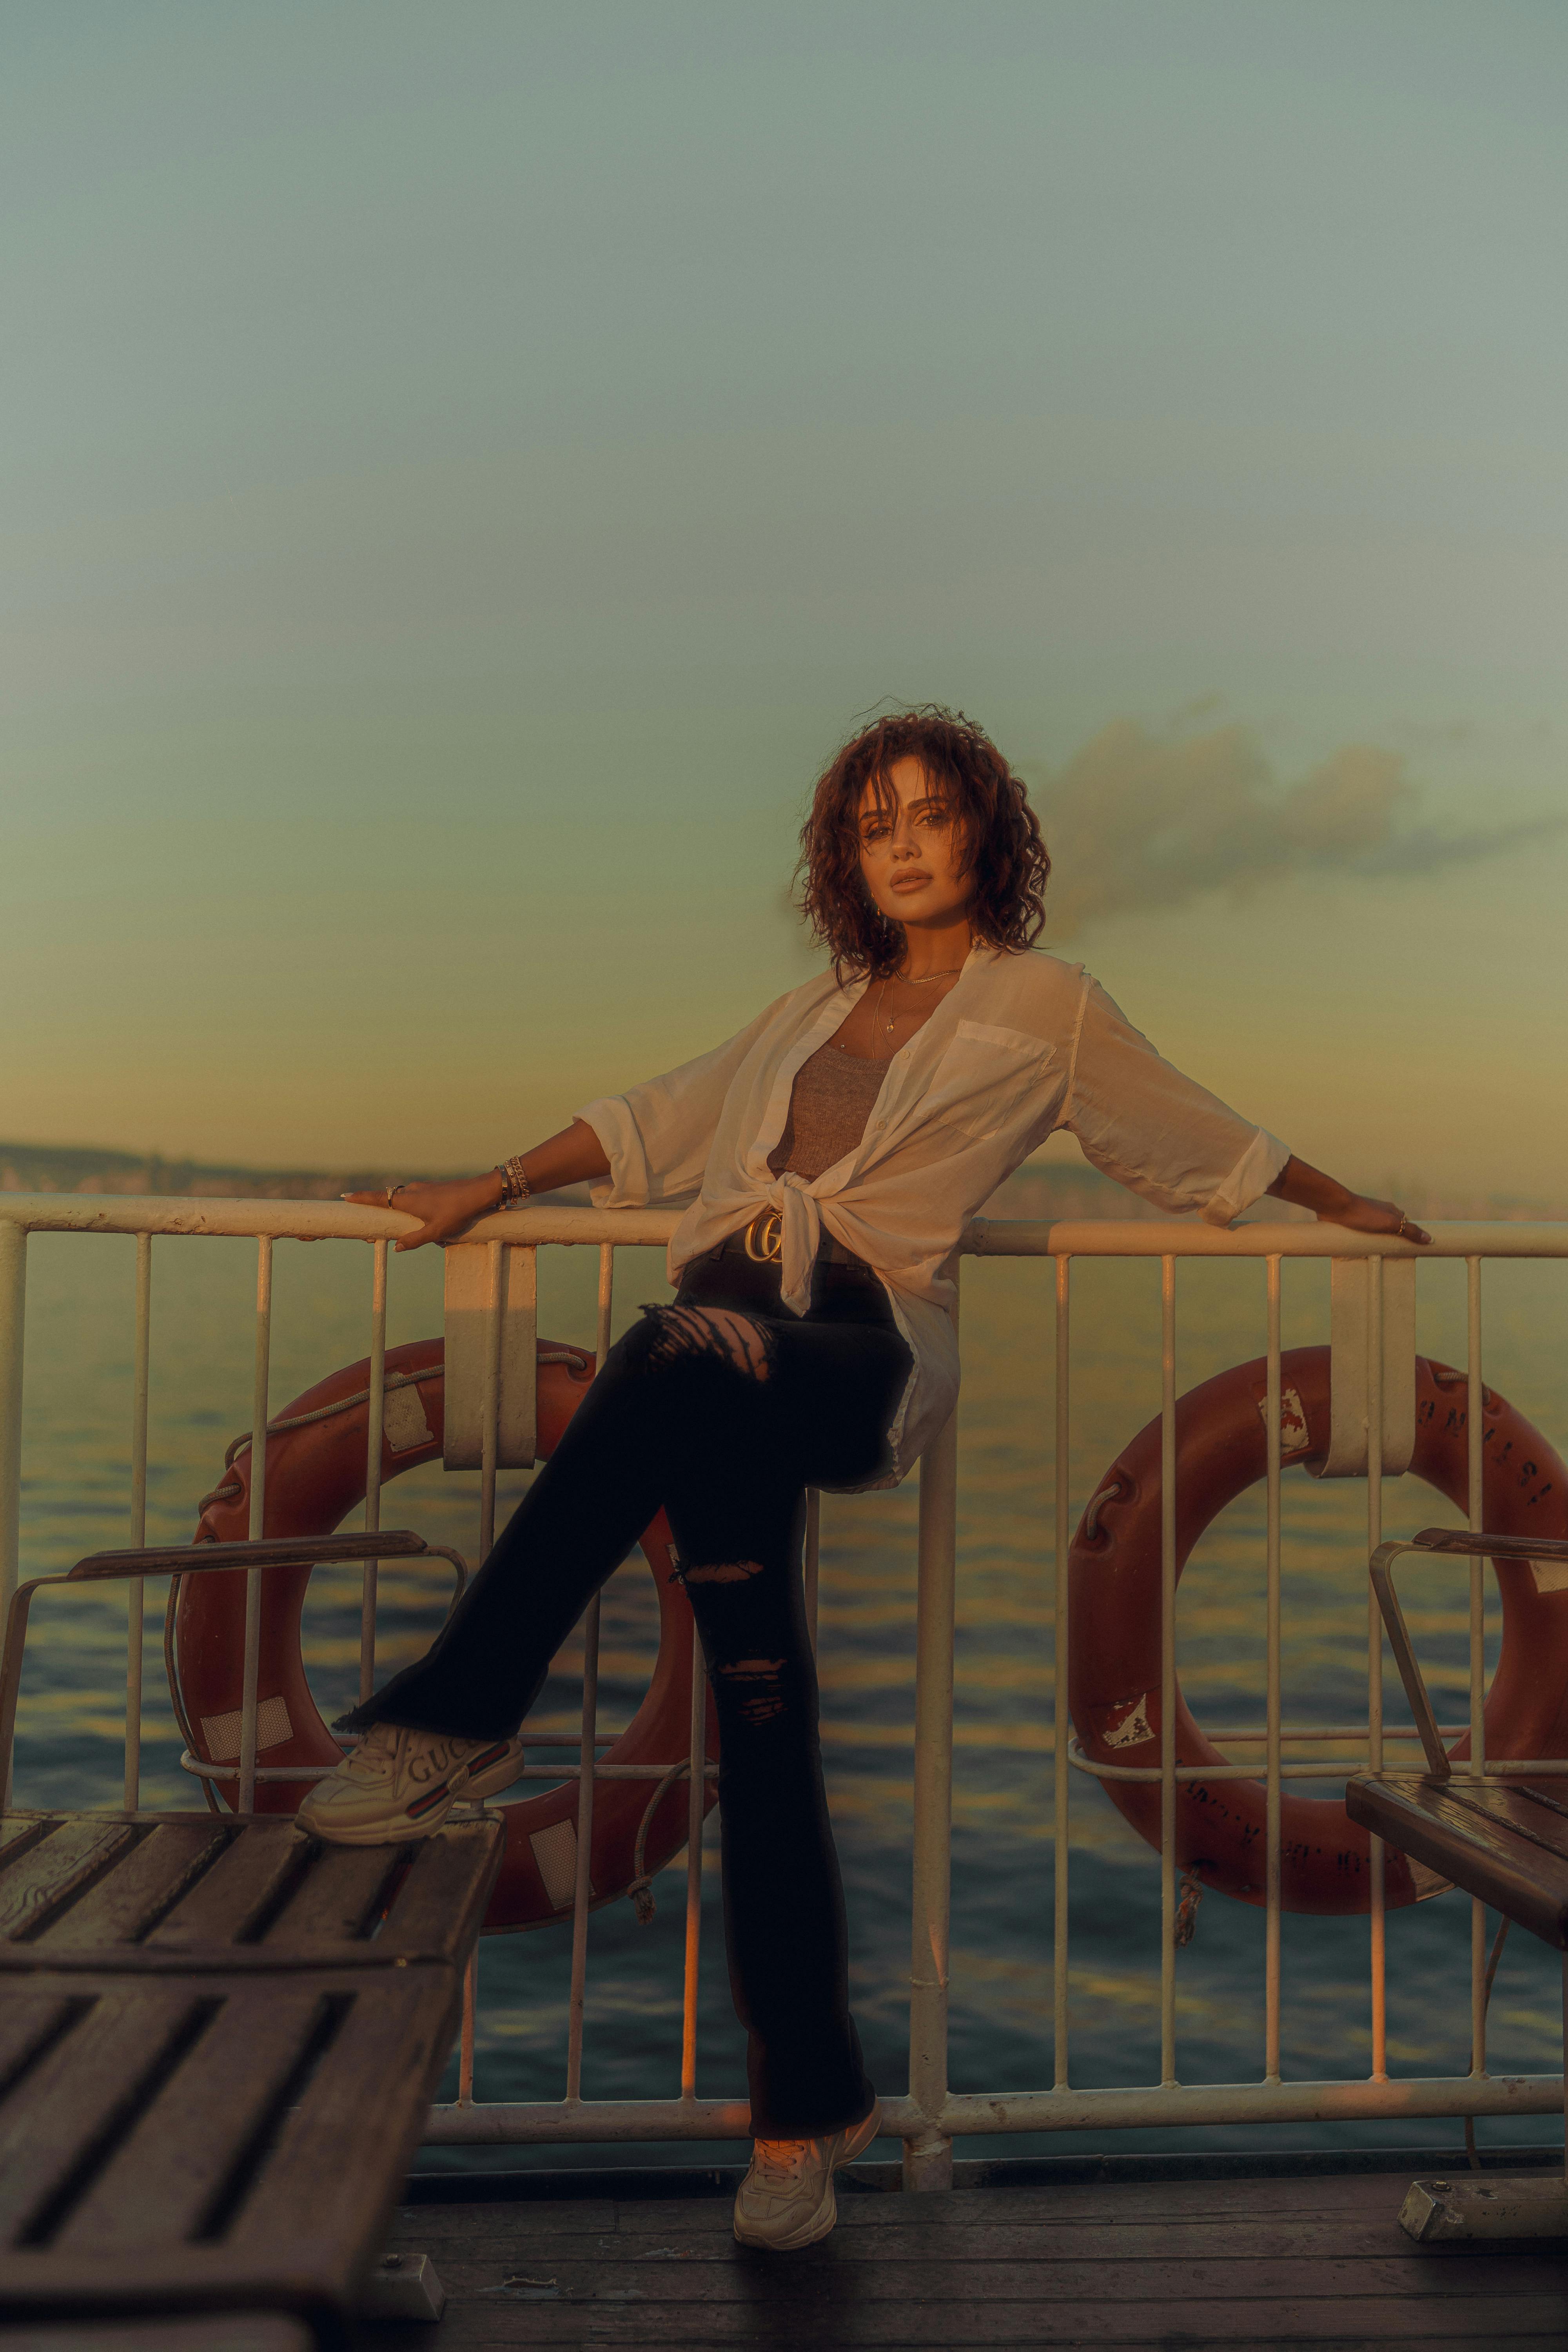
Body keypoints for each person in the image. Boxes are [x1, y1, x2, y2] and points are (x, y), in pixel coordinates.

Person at [301, 706, 1431, 2249]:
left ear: (987, 832)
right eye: (871, 823)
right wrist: (484, 1186)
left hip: (860, 1347)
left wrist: (1334, 1197)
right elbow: (655, 1115)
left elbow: (1185, 1129)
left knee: (674, 1344)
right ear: (848, 854)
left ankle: (455, 1718)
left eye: (929, 815)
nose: (900, 845)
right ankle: (801, 2119)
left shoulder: (1047, 1003)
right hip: (725, 1348)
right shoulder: (805, 1010)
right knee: (759, 1703)